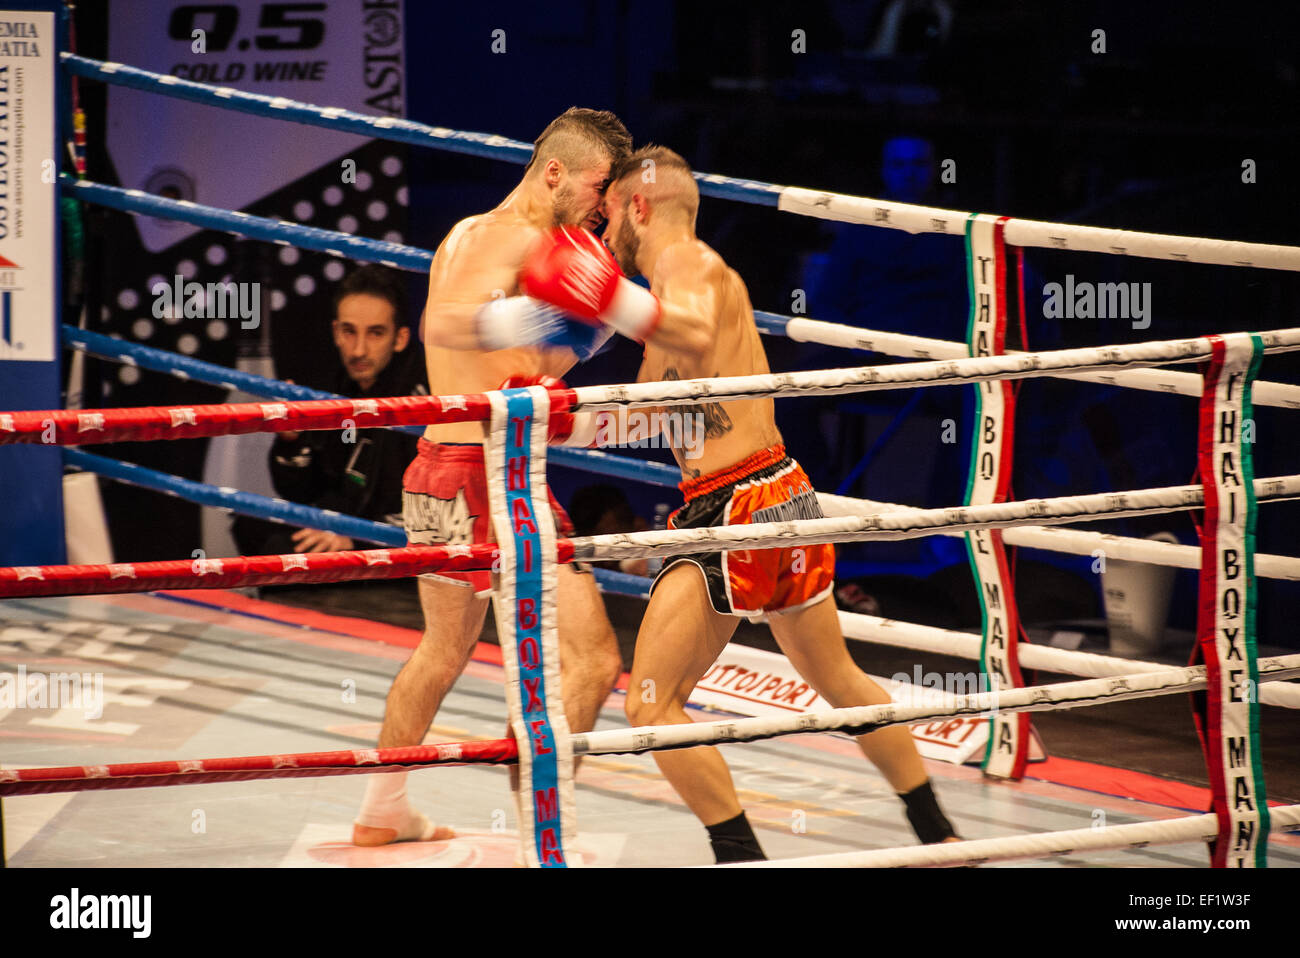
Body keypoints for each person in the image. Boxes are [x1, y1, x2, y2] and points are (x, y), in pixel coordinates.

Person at [520, 145, 960, 863]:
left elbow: (687, 334)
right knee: (840, 680)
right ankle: (937, 834)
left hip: (738, 511)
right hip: (779, 494)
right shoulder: (678, 291)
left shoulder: (688, 267)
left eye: (611, 220)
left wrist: (602, 294)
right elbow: (665, 418)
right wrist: (553, 415)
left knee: (650, 702)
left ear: (638, 207)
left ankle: (741, 856)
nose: (605, 238)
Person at [352, 108, 631, 847]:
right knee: (593, 658)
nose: (603, 204)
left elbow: (524, 368)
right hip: (488, 476)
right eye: (600, 185)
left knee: (443, 651)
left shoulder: (471, 232)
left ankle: (382, 812)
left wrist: (588, 320)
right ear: (554, 173)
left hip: (438, 465)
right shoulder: (516, 238)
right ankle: (544, 834)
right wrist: (585, 310)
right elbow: (449, 322)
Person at [232, 265, 427, 556]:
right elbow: (301, 491)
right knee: (249, 526)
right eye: (349, 332)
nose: (358, 350)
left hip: (390, 543)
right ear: (336, 332)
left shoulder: (422, 397)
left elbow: (431, 511)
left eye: (375, 333)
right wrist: (291, 440)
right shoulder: (334, 385)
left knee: (278, 550)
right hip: (340, 524)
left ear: (399, 339)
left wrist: (358, 541)